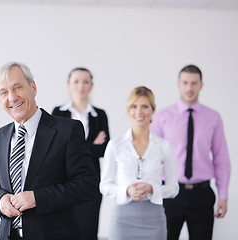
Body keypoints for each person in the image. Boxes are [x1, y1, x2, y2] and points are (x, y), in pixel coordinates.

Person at [0, 62, 99, 240]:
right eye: (4, 92)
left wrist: (37, 198)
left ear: (33, 87)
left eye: (18, 87)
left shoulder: (67, 131)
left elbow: (86, 185)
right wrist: (0, 201)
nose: (12, 97)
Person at [150, 65, 231, 240]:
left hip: (201, 195)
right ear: (178, 84)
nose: (189, 88)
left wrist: (223, 195)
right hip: (171, 193)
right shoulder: (162, 117)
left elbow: (221, 158)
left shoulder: (213, 117)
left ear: (201, 85)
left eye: (194, 83)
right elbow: (152, 157)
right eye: (185, 83)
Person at [100, 86, 179, 240]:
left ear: (153, 110)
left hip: (154, 220)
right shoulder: (116, 145)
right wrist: (127, 191)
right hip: (122, 220)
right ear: (128, 111)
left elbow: (173, 188)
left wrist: (152, 189)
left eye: (145, 106)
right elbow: (104, 185)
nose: (139, 112)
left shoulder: (163, 146)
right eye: (134, 107)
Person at [52, 67, 110, 240]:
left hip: (91, 181)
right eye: (76, 81)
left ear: (91, 85)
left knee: (88, 231)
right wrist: (91, 146)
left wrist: (73, 147)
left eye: (86, 81)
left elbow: (105, 148)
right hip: (63, 182)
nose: (81, 86)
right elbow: (56, 149)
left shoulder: (99, 115)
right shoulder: (58, 112)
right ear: (69, 85)